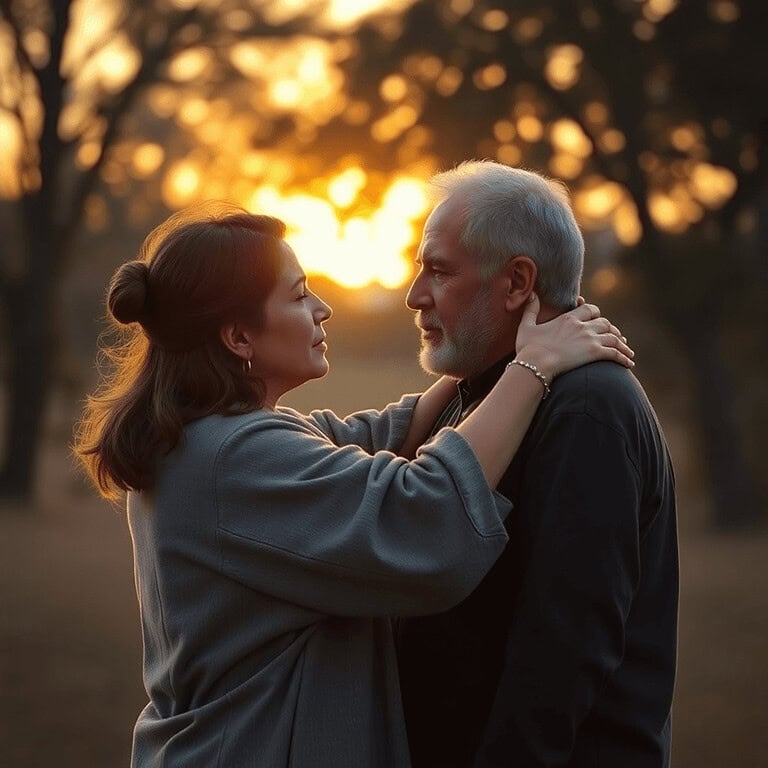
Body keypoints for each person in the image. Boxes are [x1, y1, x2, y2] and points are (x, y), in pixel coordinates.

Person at [73, 202, 633, 768]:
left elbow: (383, 437)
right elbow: (423, 513)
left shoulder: (213, 440)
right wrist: (531, 369)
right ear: (240, 337)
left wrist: (494, 345)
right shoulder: (234, 459)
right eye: (297, 296)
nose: (323, 309)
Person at [396, 161, 678, 768]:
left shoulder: (584, 406)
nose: (415, 295)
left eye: (439, 271)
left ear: (518, 282)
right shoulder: (498, 388)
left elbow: (561, 657)